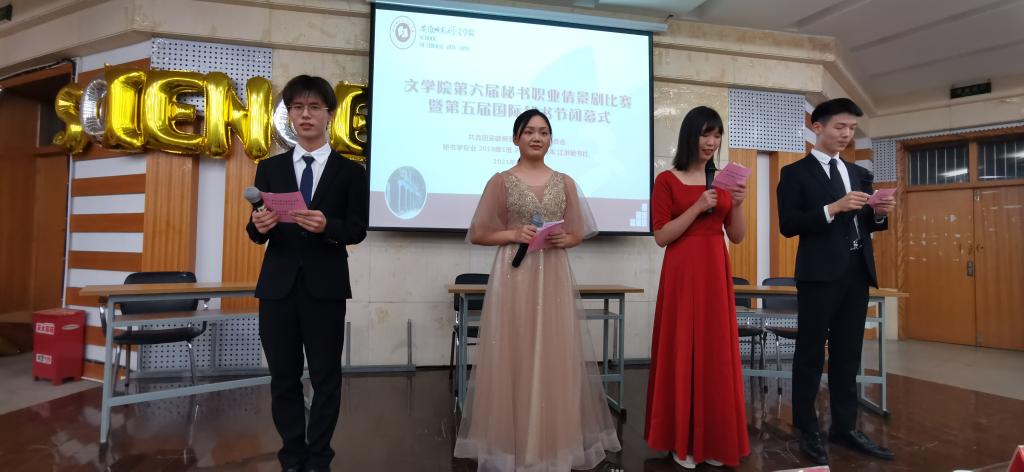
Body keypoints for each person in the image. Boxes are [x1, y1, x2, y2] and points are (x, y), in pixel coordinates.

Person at [453, 109, 622, 471]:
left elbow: (577, 232)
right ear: (516, 138)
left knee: (554, 354)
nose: (536, 137)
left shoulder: (566, 181)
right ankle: (512, 446)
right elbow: (479, 233)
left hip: (554, 273)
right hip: (515, 274)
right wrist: (513, 233)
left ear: (551, 140)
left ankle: (552, 445)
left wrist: (566, 239)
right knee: (515, 351)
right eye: (529, 131)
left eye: (543, 132)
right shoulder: (500, 181)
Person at [246, 74, 369, 472]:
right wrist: (258, 226)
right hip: (277, 288)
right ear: (289, 114)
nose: (305, 114)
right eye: (297, 107)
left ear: (329, 115)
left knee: (325, 378)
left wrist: (327, 226)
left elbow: (357, 229)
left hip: (325, 288)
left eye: (314, 107)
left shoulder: (351, 172)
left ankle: (319, 457)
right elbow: (256, 229)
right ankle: (292, 455)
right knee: (282, 378)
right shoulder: (270, 168)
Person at [776, 97, 896, 466]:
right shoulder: (795, 173)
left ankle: (845, 427)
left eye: (852, 128)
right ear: (817, 127)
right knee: (810, 354)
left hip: (857, 273)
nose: (846, 134)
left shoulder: (859, 173)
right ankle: (807, 427)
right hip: (818, 275)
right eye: (839, 126)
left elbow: (868, 223)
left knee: (848, 355)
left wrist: (879, 214)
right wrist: (833, 208)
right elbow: (788, 224)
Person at [644, 106, 751, 469]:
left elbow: (737, 236)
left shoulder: (723, 181)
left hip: (714, 272)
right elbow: (662, 236)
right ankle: (682, 441)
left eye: (717, 135)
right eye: (706, 134)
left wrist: (738, 205)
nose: (712, 142)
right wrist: (696, 207)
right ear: (691, 135)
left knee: (715, 354)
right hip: (681, 272)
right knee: (682, 351)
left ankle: (714, 441)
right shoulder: (667, 180)